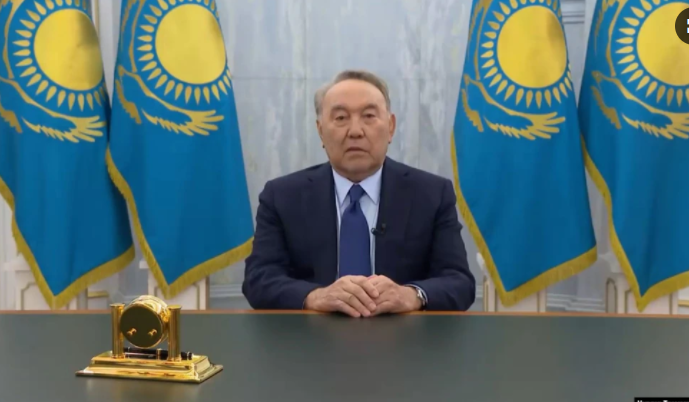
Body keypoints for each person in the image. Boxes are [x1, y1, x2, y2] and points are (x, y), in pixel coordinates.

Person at [242, 70, 475, 316]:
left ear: (391, 127)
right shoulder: (282, 196)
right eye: (341, 118)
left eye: (369, 116)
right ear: (321, 131)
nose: (355, 131)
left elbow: (459, 282)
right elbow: (259, 279)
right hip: (310, 336)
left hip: (404, 336)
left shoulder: (431, 194)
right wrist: (316, 297)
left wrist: (411, 295)